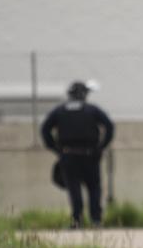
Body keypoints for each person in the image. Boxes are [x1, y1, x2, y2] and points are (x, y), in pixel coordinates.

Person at [41, 80, 115, 228]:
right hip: (90, 155)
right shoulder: (92, 110)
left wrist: (55, 148)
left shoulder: (60, 110)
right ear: (84, 95)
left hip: (68, 156)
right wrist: (102, 146)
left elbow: (45, 129)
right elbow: (109, 126)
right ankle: (96, 220)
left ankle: (77, 220)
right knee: (94, 187)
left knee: (73, 187)